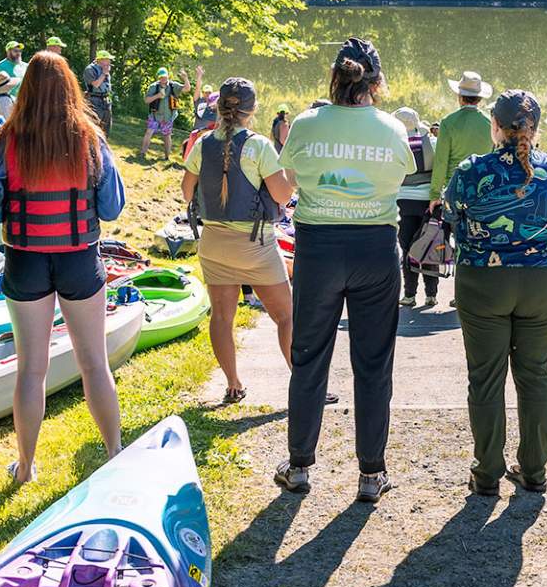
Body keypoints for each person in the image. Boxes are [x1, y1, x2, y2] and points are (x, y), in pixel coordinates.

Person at [273, 37, 414, 503]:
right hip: (375, 247)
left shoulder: (307, 123)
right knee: (373, 364)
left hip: (319, 247)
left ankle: (298, 466)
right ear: (376, 82)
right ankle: (371, 474)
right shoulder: (393, 128)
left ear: (334, 78)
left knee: (309, 356)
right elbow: (400, 178)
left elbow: (289, 179)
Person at [0, 52, 125, 484]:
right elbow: (112, 207)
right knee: (94, 362)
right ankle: (114, 451)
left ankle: (25, 466)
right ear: (71, 89)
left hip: (24, 260)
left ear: (24, 90)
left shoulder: (5, 140)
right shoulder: (89, 138)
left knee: (31, 367)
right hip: (79, 258)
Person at [446, 89, 547, 495]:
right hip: (542, 282)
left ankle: (486, 474)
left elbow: (453, 213)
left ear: (494, 126)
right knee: (536, 375)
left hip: (484, 281)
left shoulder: (470, 169)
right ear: (534, 129)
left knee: (485, 378)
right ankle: (534, 471)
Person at [182, 78, 296, 404]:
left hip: (214, 242)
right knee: (286, 316)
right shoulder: (259, 146)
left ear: (218, 107)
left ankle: (233, 384)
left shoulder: (202, 143)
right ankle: (302, 382)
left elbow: (187, 191)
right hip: (255, 244)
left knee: (221, 318)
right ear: (253, 109)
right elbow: (282, 195)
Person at [428, 70, 495, 215]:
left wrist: (434, 195)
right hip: (481, 190)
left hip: (454, 189)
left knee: (457, 232)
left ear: (460, 97)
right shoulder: (490, 124)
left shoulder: (448, 122)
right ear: (480, 98)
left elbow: (441, 161)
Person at [393, 107, 441, 307]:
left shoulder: (394, 144)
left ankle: (409, 295)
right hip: (427, 201)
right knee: (430, 246)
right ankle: (431, 295)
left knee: (408, 248)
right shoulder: (433, 142)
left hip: (402, 201)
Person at [141, 66, 185, 161]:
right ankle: (142, 153)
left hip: (168, 117)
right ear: (158, 77)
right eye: (161, 77)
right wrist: (157, 96)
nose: (163, 79)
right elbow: (146, 100)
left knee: (167, 135)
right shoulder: (154, 87)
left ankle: (167, 157)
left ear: (168, 76)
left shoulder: (173, 86)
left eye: (164, 76)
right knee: (149, 132)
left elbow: (187, 89)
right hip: (155, 116)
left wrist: (185, 78)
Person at [0, 41, 28, 115]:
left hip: (24, 103)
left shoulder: (25, 66)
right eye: (15, 51)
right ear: (8, 52)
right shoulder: (0, 66)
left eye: (20, 51)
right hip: (7, 104)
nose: (18, 53)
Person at [83, 49, 115, 131]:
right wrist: (104, 73)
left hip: (106, 101)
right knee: (94, 126)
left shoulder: (106, 69)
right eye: (108, 60)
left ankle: (104, 143)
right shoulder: (90, 69)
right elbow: (96, 85)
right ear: (101, 60)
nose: (109, 62)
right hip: (94, 100)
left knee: (106, 128)